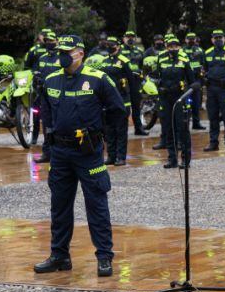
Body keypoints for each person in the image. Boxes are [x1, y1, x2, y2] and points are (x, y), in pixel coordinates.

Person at [33, 34, 126, 278]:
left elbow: (118, 111)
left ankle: (104, 256)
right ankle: (59, 255)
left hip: (88, 152)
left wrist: (99, 134)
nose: (63, 55)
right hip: (60, 153)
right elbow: (46, 112)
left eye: (68, 51)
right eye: (60, 50)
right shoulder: (51, 80)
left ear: (81, 53)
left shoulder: (98, 79)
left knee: (96, 204)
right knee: (59, 206)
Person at [156, 34, 196, 169]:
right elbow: (156, 76)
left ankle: (185, 159)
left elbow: (192, 81)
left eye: (175, 46)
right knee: (168, 128)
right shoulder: (161, 59)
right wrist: (158, 86)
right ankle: (172, 159)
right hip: (165, 98)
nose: (172, 48)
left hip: (179, 98)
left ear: (179, 47)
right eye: (170, 46)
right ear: (166, 47)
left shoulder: (185, 60)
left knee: (182, 129)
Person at [96, 38, 135, 166]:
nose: (109, 47)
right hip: (108, 102)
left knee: (121, 131)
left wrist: (132, 100)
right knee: (109, 131)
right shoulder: (103, 61)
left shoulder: (124, 61)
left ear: (118, 46)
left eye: (112, 45)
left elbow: (132, 82)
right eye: (107, 45)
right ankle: (111, 156)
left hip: (122, 101)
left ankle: (121, 157)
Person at [202, 30, 225, 153]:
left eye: (220, 37)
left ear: (224, 39)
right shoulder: (207, 53)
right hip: (212, 89)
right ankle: (213, 142)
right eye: (215, 38)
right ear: (212, 40)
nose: (218, 40)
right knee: (213, 117)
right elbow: (204, 69)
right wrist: (204, 77)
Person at [32, 32, 60, 164]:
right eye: (47, 40)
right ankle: (46, 153)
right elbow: (36, 71)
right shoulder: (42, 58)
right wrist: (35, 78)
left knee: (58, 124)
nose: (49, 42)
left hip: (58, 96)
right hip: (44, 95)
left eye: (52, 40)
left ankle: (58, 153)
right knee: (46, 124)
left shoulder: (62, 57)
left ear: (57, 41)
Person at [120, 31, 147, 135]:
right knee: (124, 107)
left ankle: (138, 129)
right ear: (124, 39)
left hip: (136, 81)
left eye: (132, 37)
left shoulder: (139, 51)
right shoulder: (120, 50)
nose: (130, 39)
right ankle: (122, 130)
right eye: (127, 37)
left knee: (136, 106)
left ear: (135, 39)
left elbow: (143, 66)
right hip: (124, 81)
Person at [184, 32, 206, 130]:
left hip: (197, 80)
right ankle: (186, 123)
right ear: (186, 40)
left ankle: (196, 123)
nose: (191, 40)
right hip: (186, 80)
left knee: (196, 102)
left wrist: (202, 78)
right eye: (189, 38)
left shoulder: (200, 50)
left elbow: (204, 64)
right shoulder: (182, 50)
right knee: (187, 102)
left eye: (193, 38)